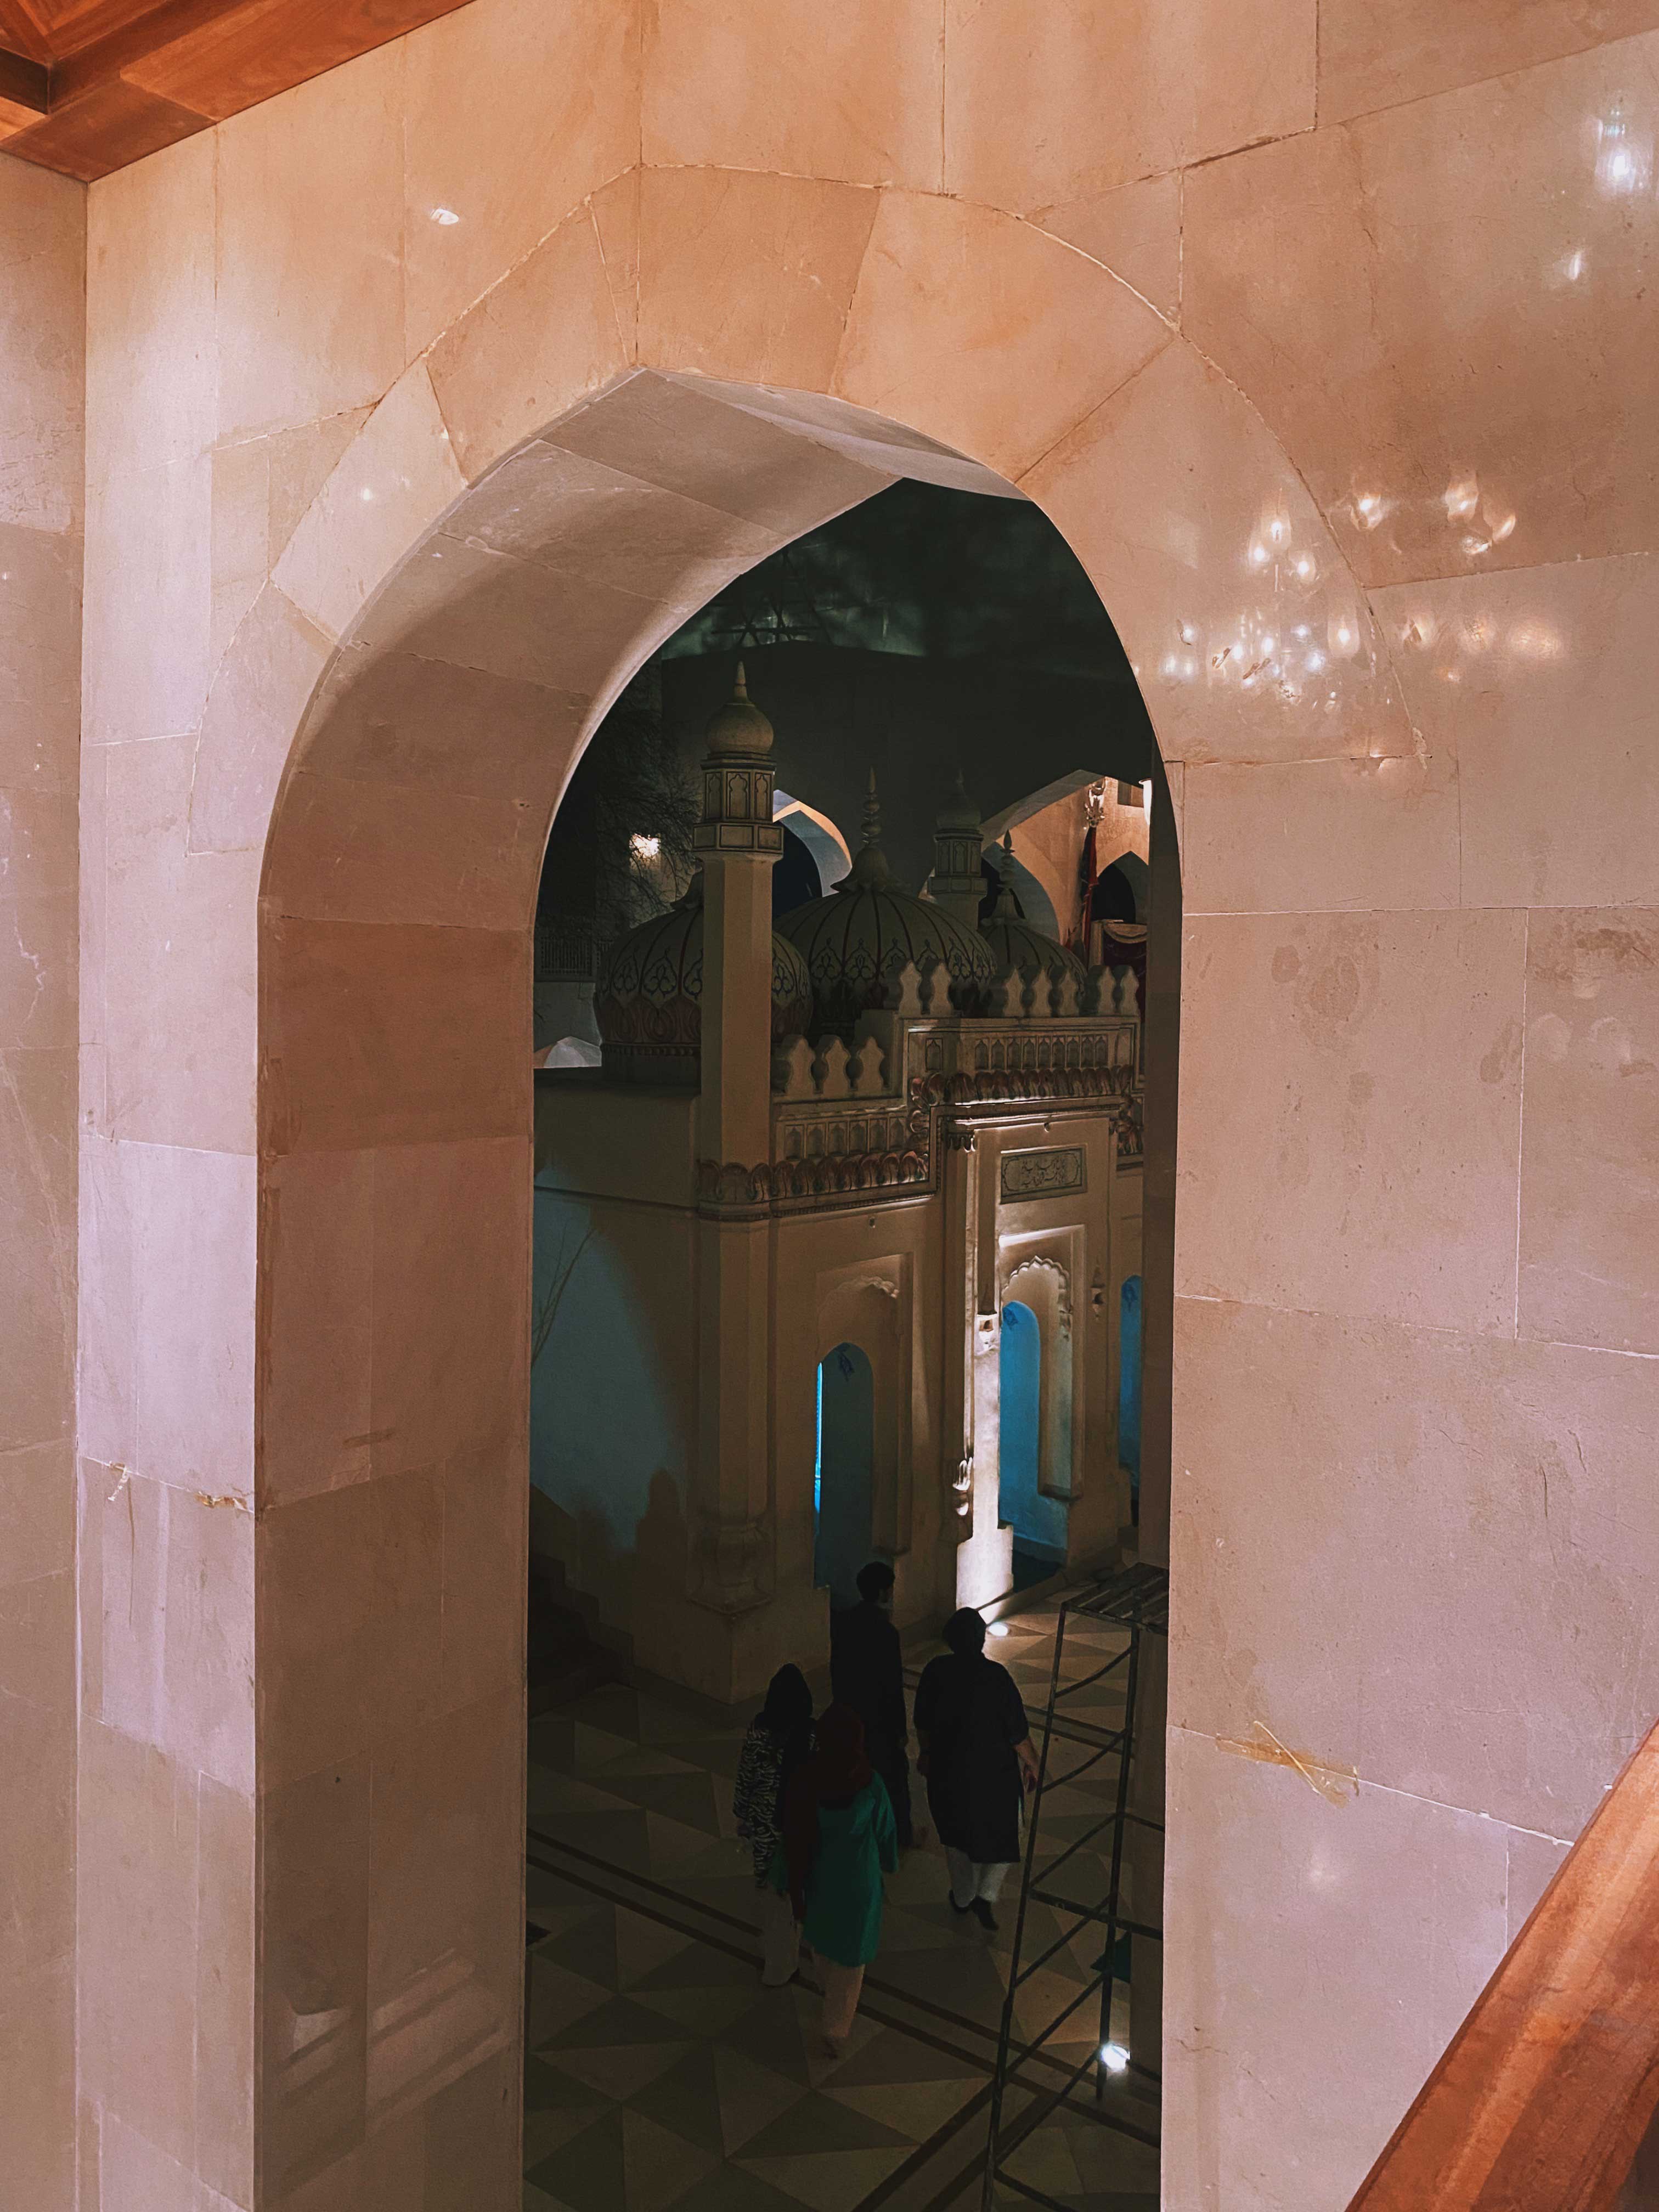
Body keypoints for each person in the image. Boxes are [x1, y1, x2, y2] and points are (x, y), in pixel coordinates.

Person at [773, 1703, 899, 2055]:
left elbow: (792, 1835)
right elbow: (886, 1830)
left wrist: (786, 1880)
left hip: (817, 1882)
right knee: (851, 1963)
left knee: (823, 1948)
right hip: (858, 1884)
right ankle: (836, 2028)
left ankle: (829, 1998)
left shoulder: (806, 1780)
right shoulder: (868, 1783)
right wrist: (889, 1863)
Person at [913, 1607, 1040, 1931]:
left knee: (955, 1840)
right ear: (982, 1639)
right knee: (1008, 1832)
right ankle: (986, 1893)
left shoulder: (934, 1671)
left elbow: (923, 1723)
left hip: (948, 1773)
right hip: (993, 1776)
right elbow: (1017, 1733)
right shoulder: (997, 1678)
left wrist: (927, 1753)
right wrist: (1033, 1763)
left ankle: (964, 1896)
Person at [732, 1663, 814, 1986]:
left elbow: (745, 1779)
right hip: (800, 1828)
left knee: (772, 1892)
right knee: (795, 1893)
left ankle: (778, 1960)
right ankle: (786, 1959)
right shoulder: (811, 1736)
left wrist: (742, 1816)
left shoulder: (758, 1732)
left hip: (766, 1828)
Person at [830, 1560, 914, 1849]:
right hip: (879, 1719)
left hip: (850, 1712)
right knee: (893, 1780)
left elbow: (837, 1669)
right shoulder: (886, 1633)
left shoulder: (844, 1622)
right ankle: (901, 1836)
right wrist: (900, 1729)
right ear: (882, 1592)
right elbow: (892, 1687)